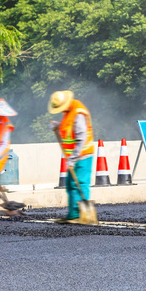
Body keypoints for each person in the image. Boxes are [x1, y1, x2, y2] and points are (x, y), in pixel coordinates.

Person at [48, 91, 95, 224]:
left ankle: (80, 214)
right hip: (74, 156)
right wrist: (58, 125)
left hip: (83, 155)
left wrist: (73, 158)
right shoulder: (68, 112)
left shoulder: (78, 113)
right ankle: (73, 214)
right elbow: (69, 128)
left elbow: (81, 138)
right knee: (70, 184)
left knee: (79, 184)